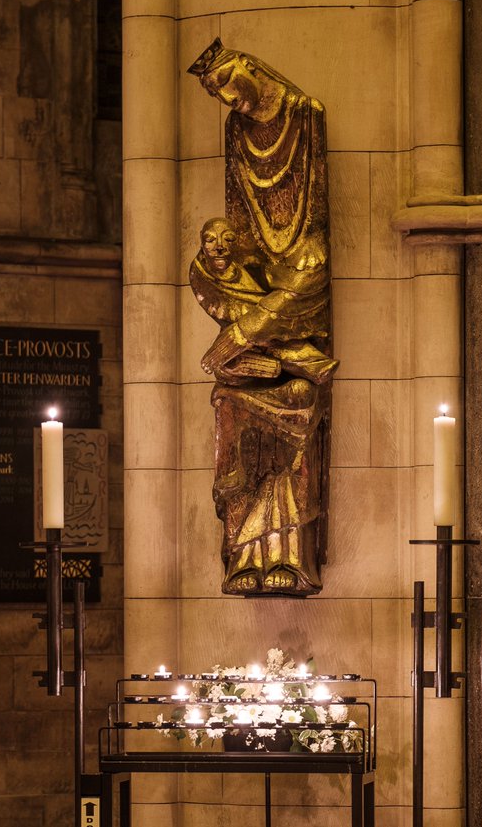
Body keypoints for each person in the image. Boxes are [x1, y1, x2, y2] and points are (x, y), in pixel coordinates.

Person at [187, 39, 337, 596]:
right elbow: (229, 254)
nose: (227, 97)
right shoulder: (235, 134)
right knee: (228, 403)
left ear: (248, 69)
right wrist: (242, 330)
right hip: (263, 342)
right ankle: (244, 553)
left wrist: (251, 330)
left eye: (227, 81)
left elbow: (312, 250)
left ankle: (292, 551)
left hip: (296, 316)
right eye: (214, 91)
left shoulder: (305, 118)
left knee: (299, 403)